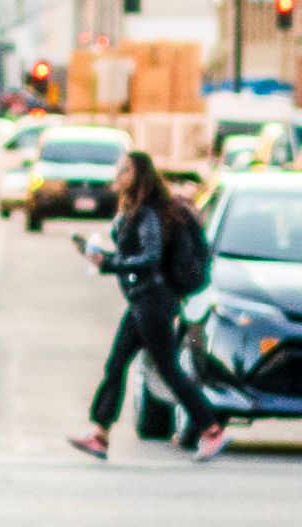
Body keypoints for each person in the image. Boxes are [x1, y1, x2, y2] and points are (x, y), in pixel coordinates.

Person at [67, 152, 231, 463]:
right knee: (116, 364)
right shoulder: (141, 210)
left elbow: (149, 258)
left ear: (138, 175)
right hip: (144, 301)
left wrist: (109, 263)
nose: (118, 172)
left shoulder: (147, 214)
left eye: (124, 169)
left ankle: (211, 430)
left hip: (153, 302)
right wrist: (103, 257)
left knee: (167, 368)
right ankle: (99, 435)